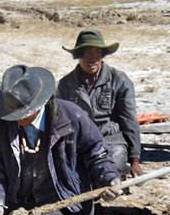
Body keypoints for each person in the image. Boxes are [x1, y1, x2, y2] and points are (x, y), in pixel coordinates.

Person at [0, 65, 122, 215]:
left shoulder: (72, 117)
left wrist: (109, 179)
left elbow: (96, 154)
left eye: (21, 114)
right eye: (11, 114)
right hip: (15, 201)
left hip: (58, 199)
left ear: (38, 105)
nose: (16, 120)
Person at [57, 29, 142, 177]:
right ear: (78, 56)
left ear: (103, 55)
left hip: (111, 140)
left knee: (111, 165)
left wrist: (135, 159)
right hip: (79, 143)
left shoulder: (119, 80)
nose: (92, 58)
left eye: (97, 53)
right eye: (86, 53)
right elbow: (59, 122)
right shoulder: (65, 84)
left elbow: (129, 119)